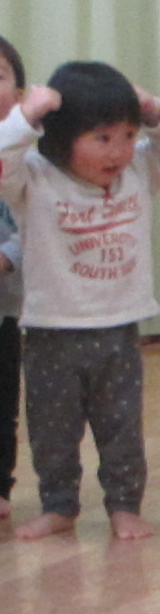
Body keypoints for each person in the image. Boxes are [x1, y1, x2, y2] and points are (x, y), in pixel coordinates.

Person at [0, 60, 160, 540]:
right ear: (62, 137)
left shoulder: (138, 173)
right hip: (51, 333)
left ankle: (125, 506)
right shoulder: (35, 179)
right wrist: (28, 114)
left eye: (128, 135)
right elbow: (2, 156)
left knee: (122, 426)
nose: (119, 151)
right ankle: (59, 505)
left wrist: (154, 110)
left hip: (119, 329)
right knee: (52, 430)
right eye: (102, 138)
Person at [0, 36, 24, 521]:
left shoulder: (26, 162)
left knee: (3, 400)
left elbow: (34, 227)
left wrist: (5, 257)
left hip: (5, 306)